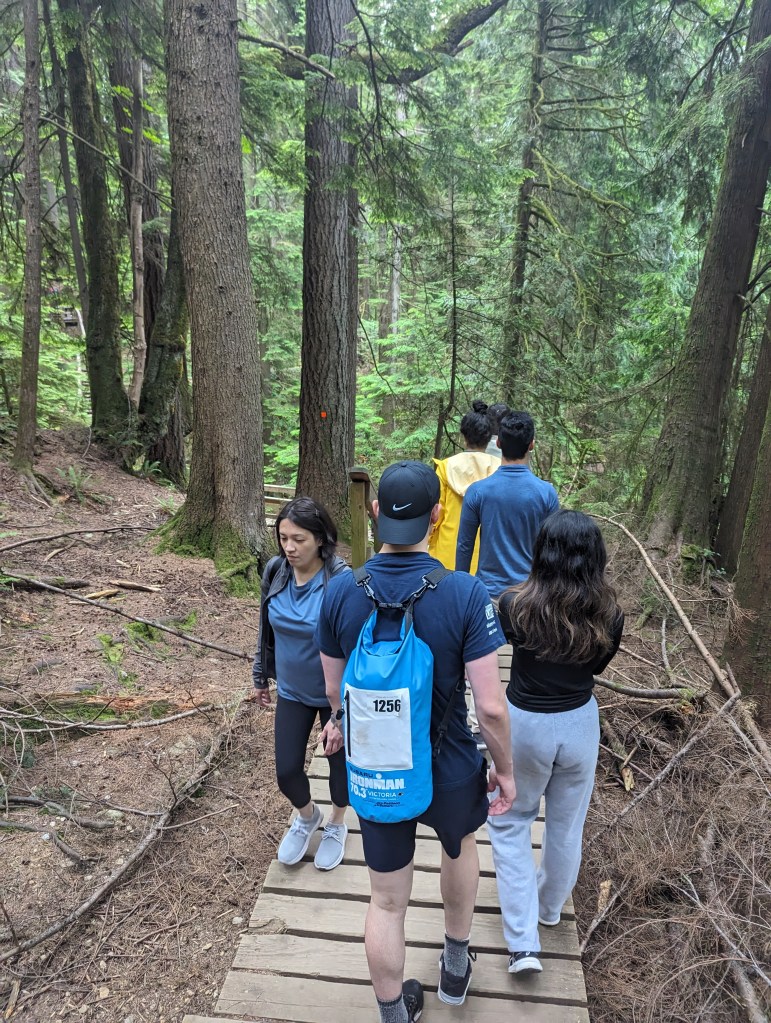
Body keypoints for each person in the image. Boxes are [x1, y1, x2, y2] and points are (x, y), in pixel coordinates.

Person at [316, 460, 516, 1022]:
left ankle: (393, 1014)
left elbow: (334, 690)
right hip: (449, 759)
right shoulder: (464, 594)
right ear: (437, 515)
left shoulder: (341, 592)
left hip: (378, 764)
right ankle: (455, 967)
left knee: (384, 900)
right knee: (458, 846)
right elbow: (492, 707)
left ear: (376, 513)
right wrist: (506, 770)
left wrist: (338, 721)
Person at [487, 510, 624, 975]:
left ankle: (523, 943)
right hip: (581, 724)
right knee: (566, 828)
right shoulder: (612, 614)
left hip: (525, 723)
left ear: (541, 552)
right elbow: (598, 668)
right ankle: (548, 910)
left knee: (511, 823)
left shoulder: (514, 605)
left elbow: (498, 647)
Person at [252, 497, 351, 871]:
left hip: (334, 696)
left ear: (321, 538)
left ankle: (337, 824)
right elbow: (264, 625)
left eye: (299, 539)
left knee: (340, 773)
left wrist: (342, 711)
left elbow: (355, 644)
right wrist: (260, 673)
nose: (289, 548)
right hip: (292, 689)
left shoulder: (341, 581)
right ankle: (308, 816)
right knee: (287, 772)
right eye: (283, 538)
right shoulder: (276, 571)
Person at [456, 411, 559, 601]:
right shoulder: (546, 493)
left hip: (488, 597)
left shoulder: (478, 491)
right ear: (531, 444)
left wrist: (461, 592)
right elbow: (553, 550)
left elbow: (464, 545)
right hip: (530, 598)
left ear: (498, 443)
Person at [428, 399, 499, 572]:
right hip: (488, 555)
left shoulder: (445, 468)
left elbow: (436, 514)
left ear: (463, 436)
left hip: (447, 552)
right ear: (489, 438)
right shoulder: (500, 469)